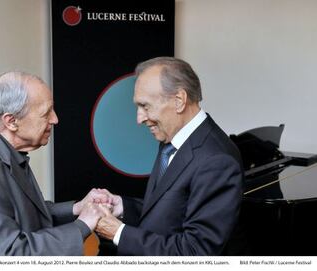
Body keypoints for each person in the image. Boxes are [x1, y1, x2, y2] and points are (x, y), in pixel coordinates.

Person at [0, 71, 109, 255]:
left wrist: (77, 209)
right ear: (11, 121)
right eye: (46, 113)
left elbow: (24, 213)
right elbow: (13, 254)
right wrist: (82, 225)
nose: (55, 119)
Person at [95, 57, 245, 255]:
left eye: (145, 106)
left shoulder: (218, 161)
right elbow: (170, 212)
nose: (139, 118)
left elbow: (194, 252)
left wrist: (118, 232)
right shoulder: (171, 139)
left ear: (179, 101)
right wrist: (123, 207)